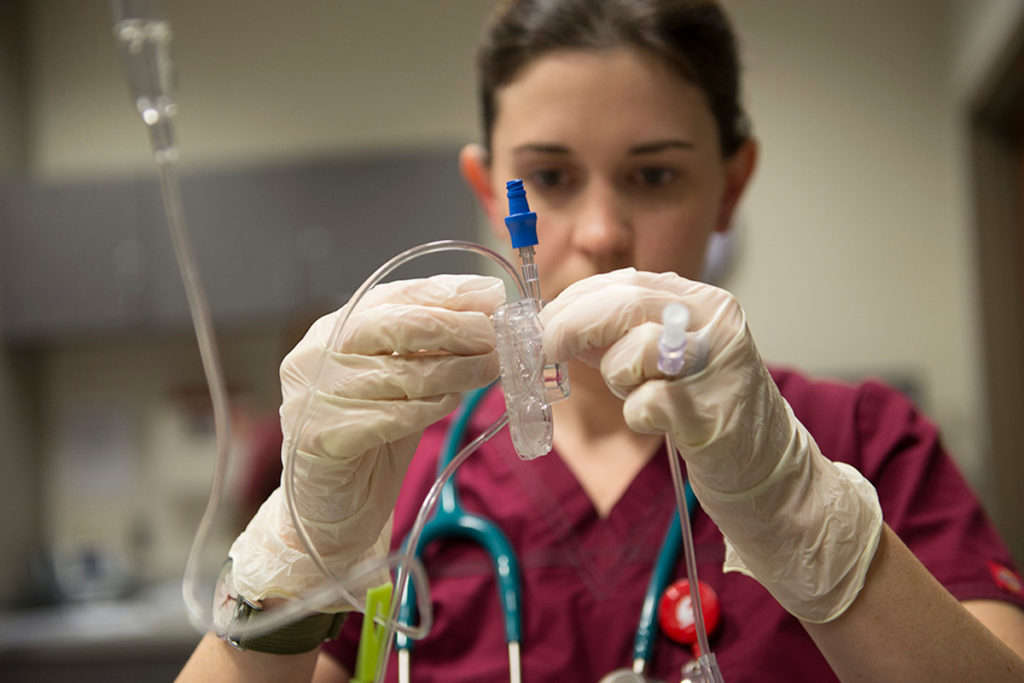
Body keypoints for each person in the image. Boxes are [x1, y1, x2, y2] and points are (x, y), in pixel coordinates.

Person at [177, 1, 1024, 681]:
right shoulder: (400, 474)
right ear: (487, 187)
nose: (601, 231)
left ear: (731, 187)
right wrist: (290, 554)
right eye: (547, 177)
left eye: (654, 175)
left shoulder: (862, 443)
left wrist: (804, 515)